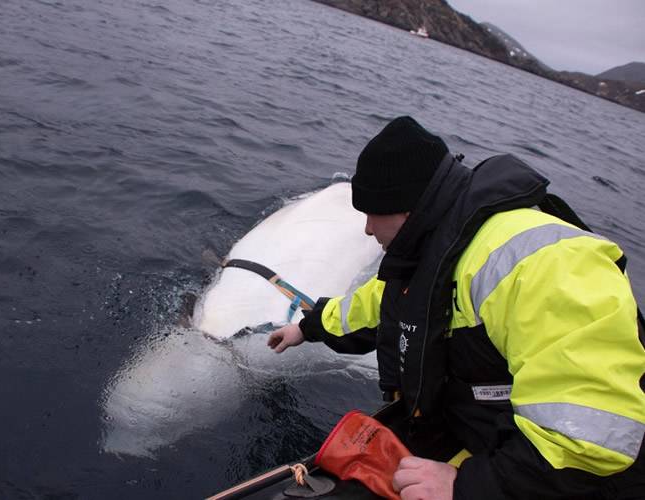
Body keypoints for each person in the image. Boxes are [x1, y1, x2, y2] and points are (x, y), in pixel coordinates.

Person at [267, 116, 645, 499]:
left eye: (371, 213)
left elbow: (591, 440)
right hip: (487, 440)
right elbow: (382, 306)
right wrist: (308, 328)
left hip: (560, 480)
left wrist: (467, 487)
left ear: (405, 208)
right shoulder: (442, 247)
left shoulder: (548, 265)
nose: (366, 229)